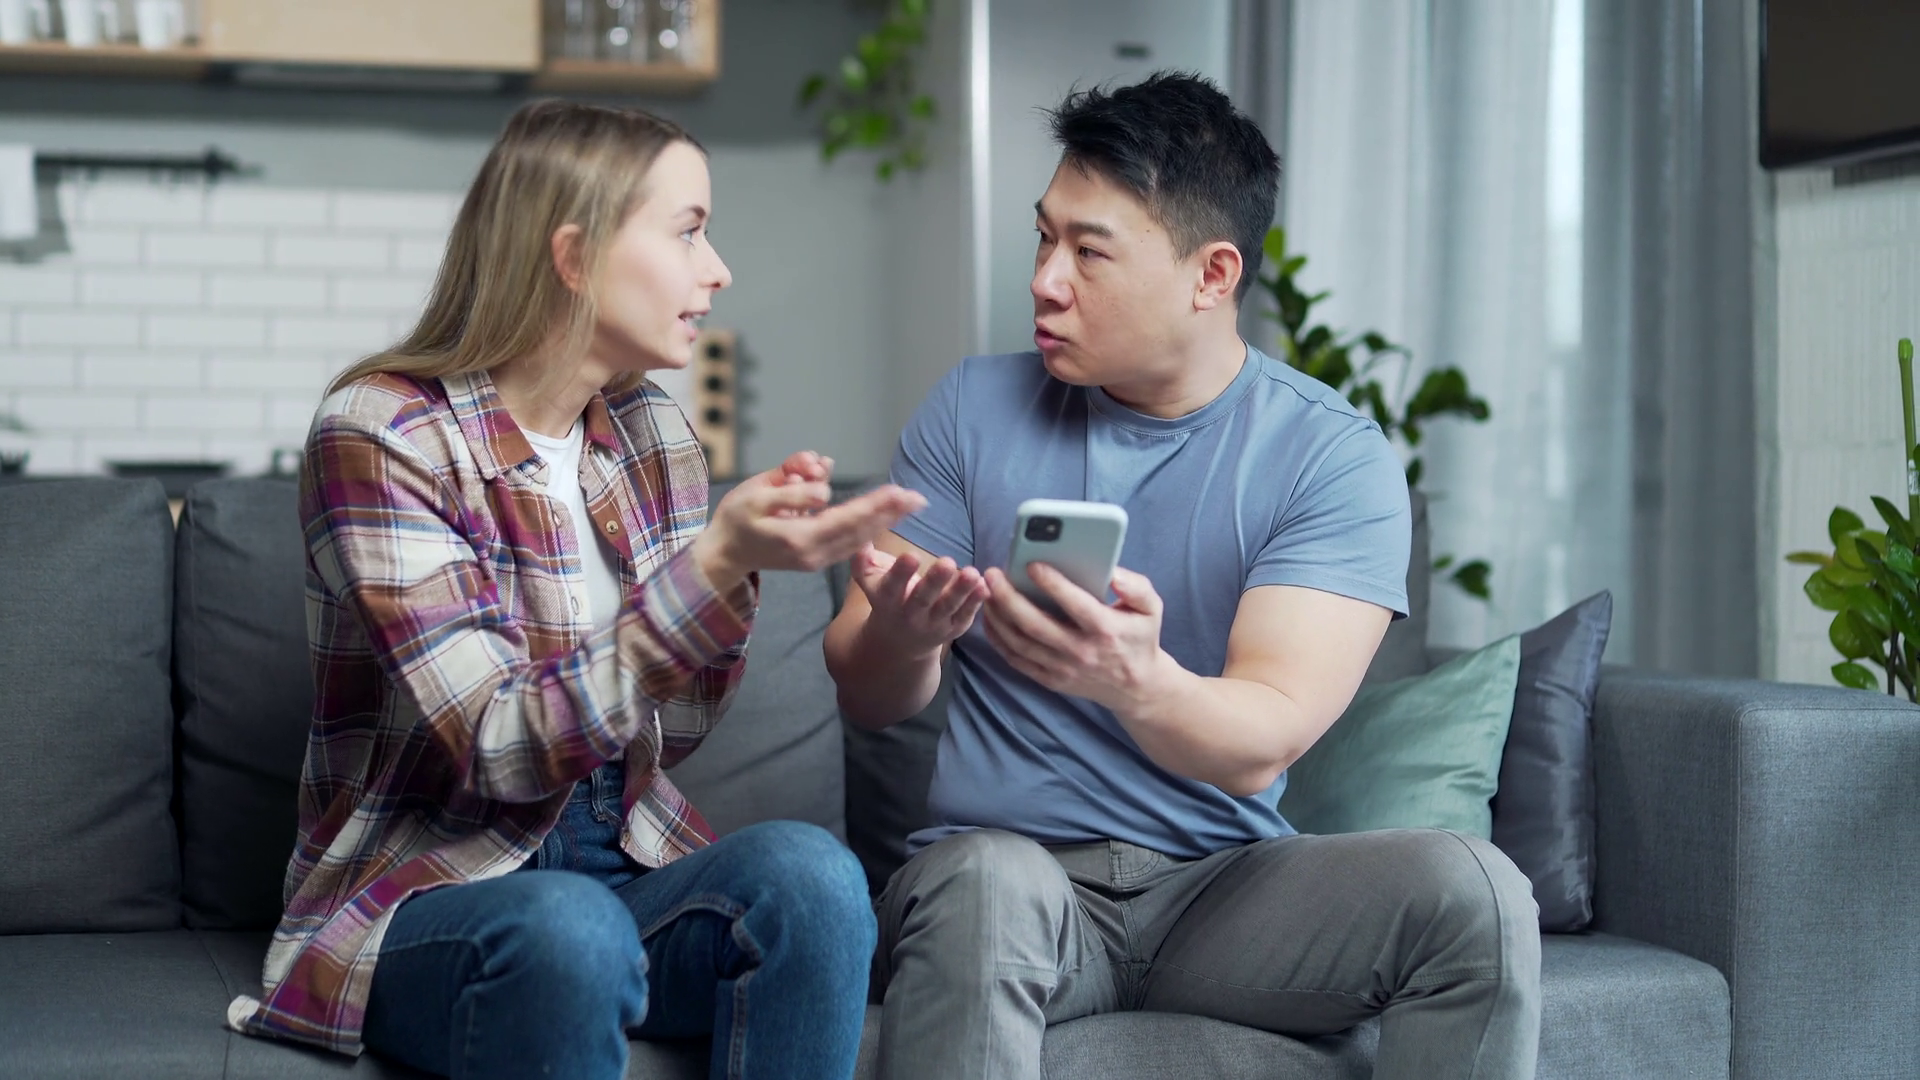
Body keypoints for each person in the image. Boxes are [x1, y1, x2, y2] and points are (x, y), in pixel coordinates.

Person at [824, 73, 1542, 1080]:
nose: (1046, 280)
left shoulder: (1328, 457)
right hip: (1011, 881)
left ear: (1212, 275)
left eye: (1089, 252)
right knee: (985, 881)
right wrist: (902, 638)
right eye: (1044, 238)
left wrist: (1137, 682)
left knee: (1475, 895)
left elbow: (1261, 738)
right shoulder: (971, 410)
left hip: (1225, 892)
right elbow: (868, 694)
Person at [227, 100, 923, 1080]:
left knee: (815, 879)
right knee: (572, 930)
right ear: (573, 255)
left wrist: (735, 574)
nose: (718, 269)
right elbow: (499, 746)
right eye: (688, 232)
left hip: (618, 863)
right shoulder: (383, 432)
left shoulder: (653, 434)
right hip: (424, 891)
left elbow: (675, 728)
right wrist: (707, 568)